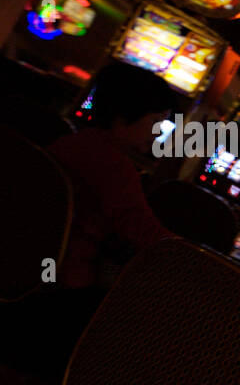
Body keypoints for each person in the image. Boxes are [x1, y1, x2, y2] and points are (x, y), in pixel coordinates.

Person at [47, 62, 177, 290]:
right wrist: (198, 255)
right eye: (155, 121)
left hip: (34, 262)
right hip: (65, 280)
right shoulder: (114, 165)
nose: (158, 133)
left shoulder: (71, 142)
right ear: (125, 115)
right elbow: (145, 234)